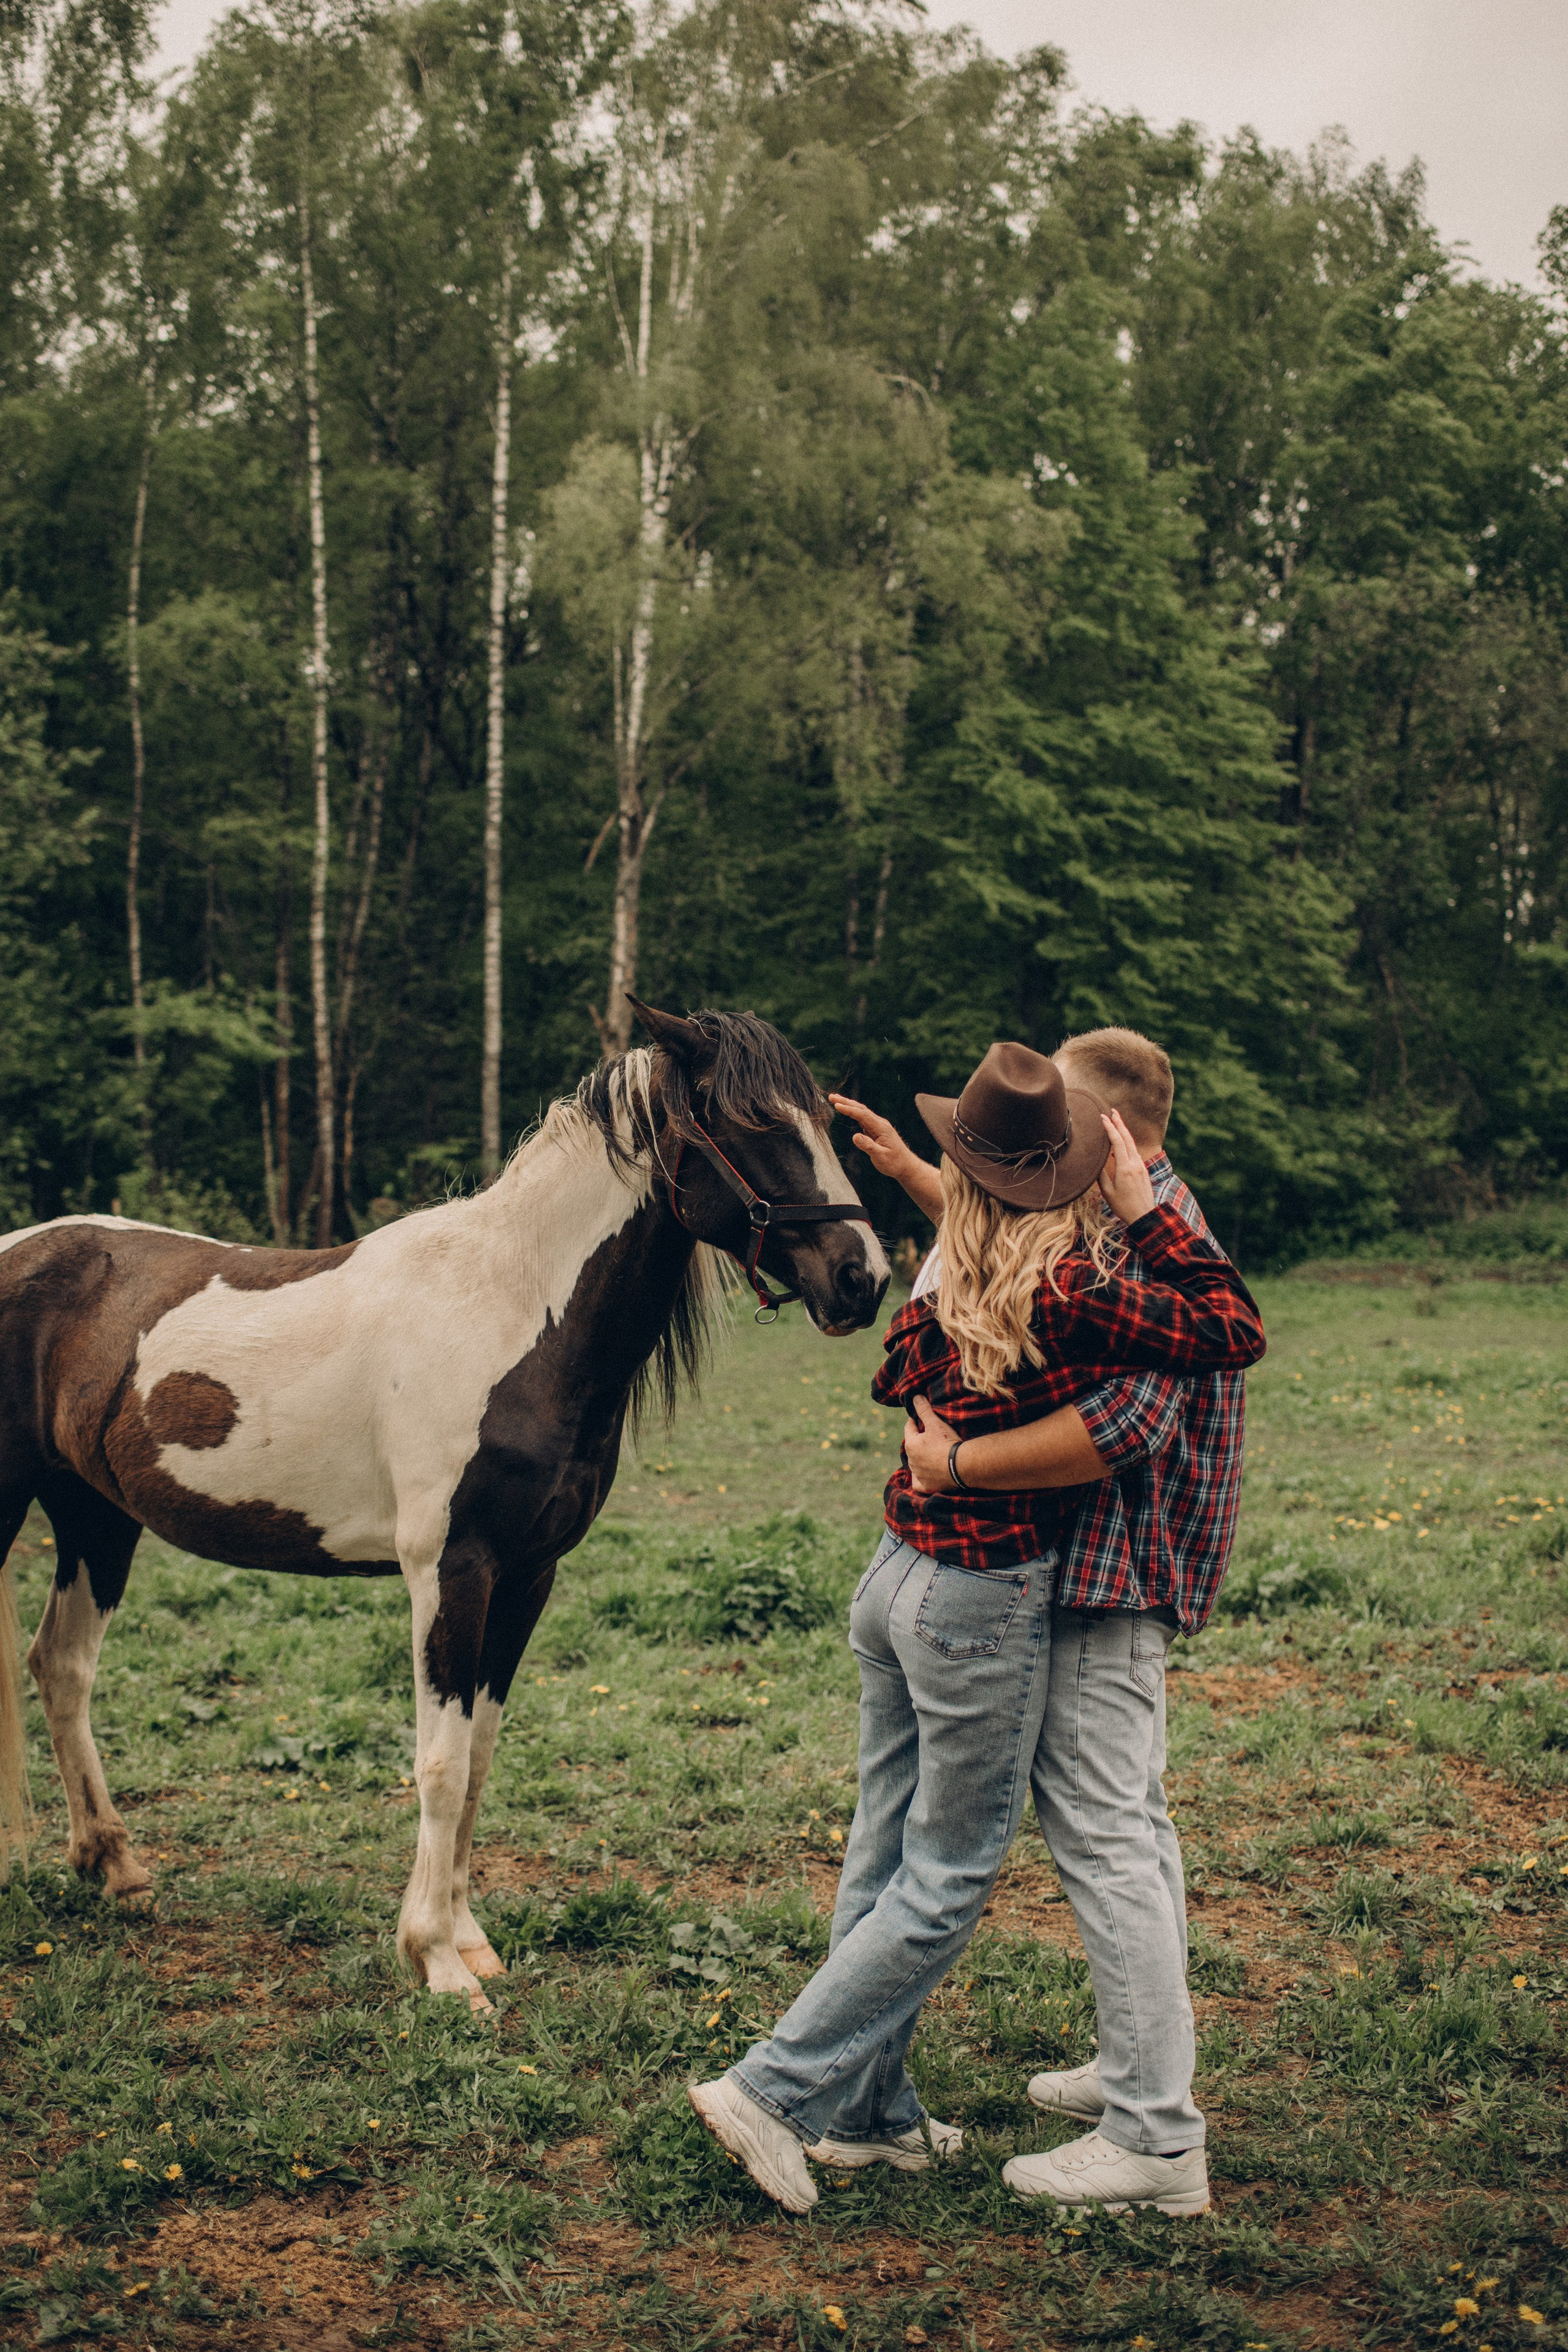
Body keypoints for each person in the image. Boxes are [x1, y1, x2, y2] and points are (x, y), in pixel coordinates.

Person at [688, 1041, 1265, 2217]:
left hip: (919, 1573)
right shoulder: (1085, 1269)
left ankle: (883, 2109)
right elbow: (1223, 1329)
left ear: (1098, 1132)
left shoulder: (957, 1272)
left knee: (913, 1840)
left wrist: (947, 1453)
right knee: (978, 1864)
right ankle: (793, 2090)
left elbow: (995, 1299)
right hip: (995, 1591)